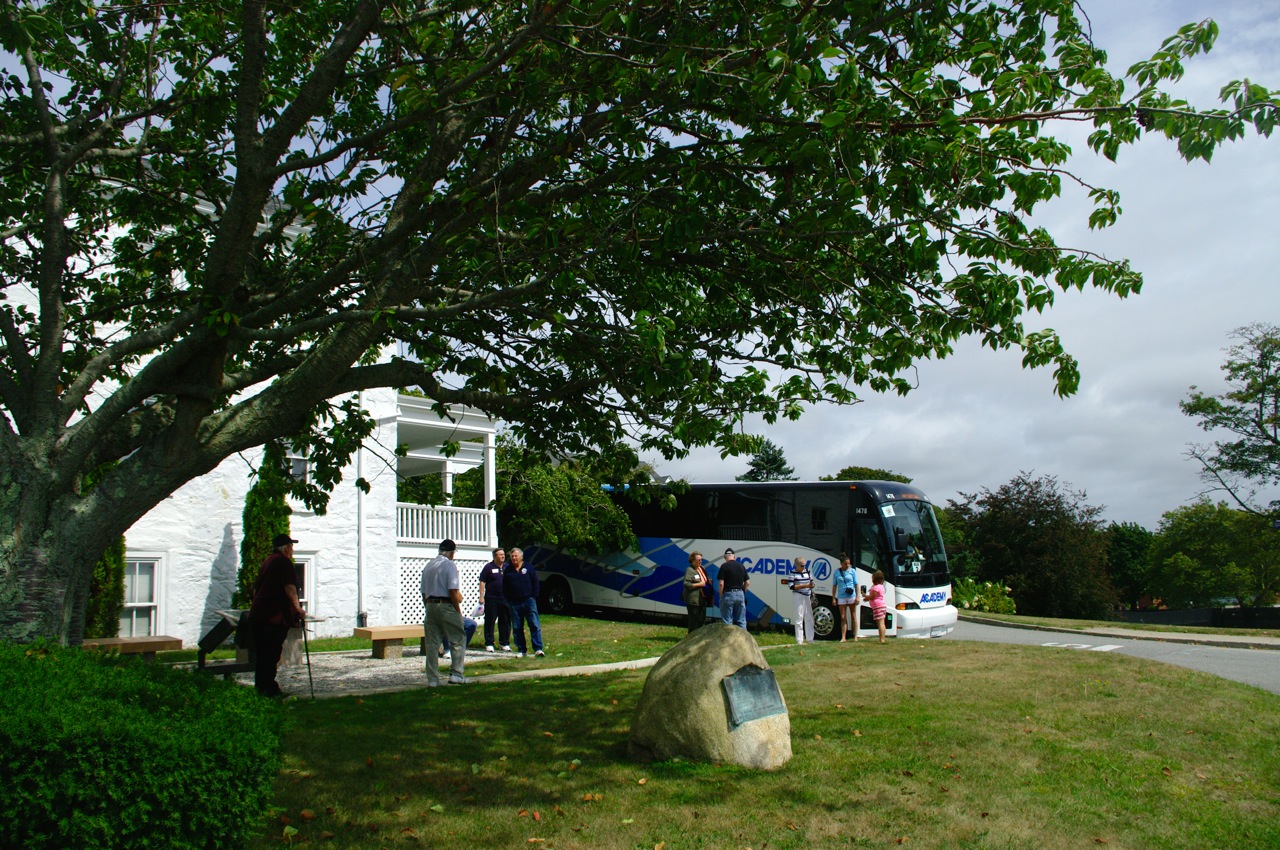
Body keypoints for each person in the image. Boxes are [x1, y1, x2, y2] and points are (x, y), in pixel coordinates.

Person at [249, 533, 307, 697]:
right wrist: (298, 609)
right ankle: (268, 689)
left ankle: (262, 687)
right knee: (270, 653)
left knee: (263, 654)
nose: (292, 550)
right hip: (272, 617)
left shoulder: (268, 561)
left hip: (260, 615)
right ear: (287, 548)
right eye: (291, 547)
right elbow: (289, 587)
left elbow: (255, 588)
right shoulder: (283, 562)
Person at [420, 538, 467, 685]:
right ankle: (456, 673)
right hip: (445, 605)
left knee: (432, 644)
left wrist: (427, 608)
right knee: (457, 638)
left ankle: (432, 679)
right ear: (451, 552)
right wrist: (457, 611)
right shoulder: (449, 565)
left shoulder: (429, 565)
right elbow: (453, 590)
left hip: (430, 605)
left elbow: (423, 592)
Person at [503, 547, 544, 657]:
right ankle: (522, 650)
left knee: (534, 625)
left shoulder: (528, 567)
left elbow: (535, 582)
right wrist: (509, 599)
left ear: (521, 557)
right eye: (512, 556)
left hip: (528, 601)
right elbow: (505, 586)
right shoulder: (508, 570)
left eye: (516, 556)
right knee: (517, 627)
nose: (514, 558)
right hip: (514, 603)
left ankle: (538, 649)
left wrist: (533, 596)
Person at [478, 547, 512, 652]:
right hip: (492, 598)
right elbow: (482, 581)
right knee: (490, 620)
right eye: (500, 554)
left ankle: (504, 643)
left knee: (505, 620)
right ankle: (489, 643)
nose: (503, 556)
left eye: (503, 554)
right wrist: (481, 596)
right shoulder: (488, 567)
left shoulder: (507, 567)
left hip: (505, 598)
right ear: (495, 556)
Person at [785, 555, 815, 644]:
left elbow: (812, 582)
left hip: (807, 595)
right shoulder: (793, 573)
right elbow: (791, 586)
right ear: (796, 565)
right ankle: (799, 640)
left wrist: (811, 585)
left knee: (809, 617)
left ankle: (810, 638)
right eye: (802, 566)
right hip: (798, 595)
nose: (804, 567)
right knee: (799, 617)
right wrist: (804, 586)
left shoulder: (808, 572)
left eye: (805, 565)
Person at [717, 547, 749, 629]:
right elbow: (747, 582)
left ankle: (729, 640)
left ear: (725, 557)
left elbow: (721, 584)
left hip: (728, 594)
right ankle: (744, 640)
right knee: (741, 620)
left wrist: (721, 596)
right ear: (734, 557)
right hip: (740, 594)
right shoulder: (741, 566)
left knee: (727, 621)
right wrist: (742, 591)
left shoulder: (724, 566)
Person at [831, 553, 860, 642]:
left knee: (853, 616)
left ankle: (855, 636)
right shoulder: (836, 572)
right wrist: (833, 598)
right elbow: (834, 586)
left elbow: (856, 584)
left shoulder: (852, 571)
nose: (847, 565)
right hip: (841, 596)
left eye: (848, 563)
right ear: (841, 563)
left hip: (851, 595)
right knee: (843, 617)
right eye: (845, 564)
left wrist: (858, 596)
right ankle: (843, 637)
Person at [682, 551, 711, 633]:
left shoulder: (702, 568)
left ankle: (698, 638)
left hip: (702, 598)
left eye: (701, 560)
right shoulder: (690, 570)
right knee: (693, 621)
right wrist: (699, 584)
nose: (700, 561)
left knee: (702, 619)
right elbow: (686, 584)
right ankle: (691, 638)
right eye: (698, 560)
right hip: (693, 600)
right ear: (692, 560)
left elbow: (706, 580)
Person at [868, 569, 889, 643]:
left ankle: (882, 639)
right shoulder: (881, 586)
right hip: (881, 606)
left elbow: (872, 597)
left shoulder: (876, 587)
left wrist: (865, 596)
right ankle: (882, 638)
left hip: (878, 606)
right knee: (881, 623)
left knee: (880, 623)